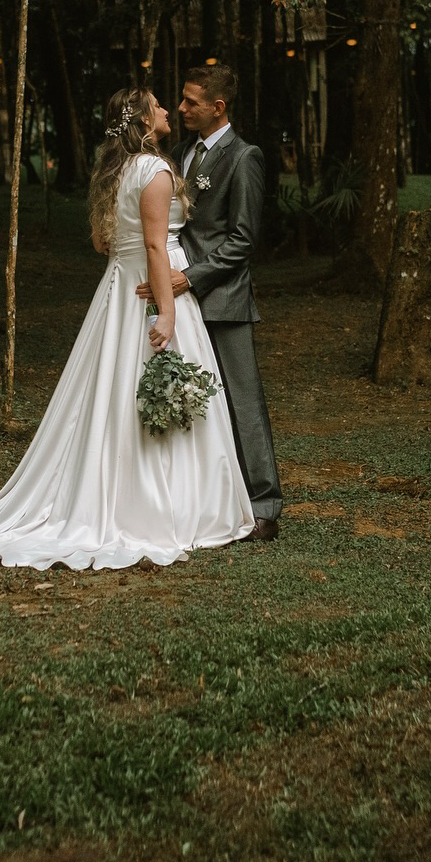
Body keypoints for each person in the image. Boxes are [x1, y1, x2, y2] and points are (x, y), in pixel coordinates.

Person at [0, 87, 255, 570]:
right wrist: (168, 310)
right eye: (158, 106)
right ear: (142, 120)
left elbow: (104, 242)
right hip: (152, 288)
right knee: (153, 385)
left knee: (113, 392)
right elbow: (158, 249)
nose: (166, 111)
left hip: (118, 288)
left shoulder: (116, 172)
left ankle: (126, 489)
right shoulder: (156, 172)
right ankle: (169, 505)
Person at [137, 63, 282, 536]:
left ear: (218, 107)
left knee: (242, 401)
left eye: (191, 102)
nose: (181, 108)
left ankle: (265, 507)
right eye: (179, 100)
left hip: (221, 297)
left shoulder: (245, 157)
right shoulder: (179, 153)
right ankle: (213, 500)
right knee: (200, 405)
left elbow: (242, 240)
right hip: (181, 296)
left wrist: (188, 279)